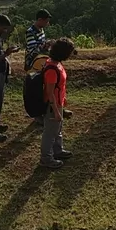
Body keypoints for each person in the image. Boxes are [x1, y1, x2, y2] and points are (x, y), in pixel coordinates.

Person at [38, 39, 76, 168]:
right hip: (51, 104)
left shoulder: (56, 63)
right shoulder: (52, 69)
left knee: (57, 129)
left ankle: (57, 150)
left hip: (58, 103)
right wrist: (56, 110)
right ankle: (46, 158)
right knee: (50, 132)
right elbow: (50, 92)